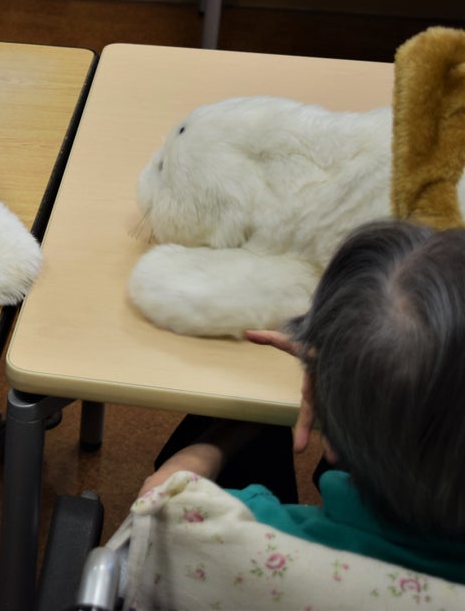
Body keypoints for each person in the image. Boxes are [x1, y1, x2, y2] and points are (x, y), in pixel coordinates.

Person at [137, 219, 465, 582]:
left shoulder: (244, 538)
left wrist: (240, 427)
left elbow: (161, 497)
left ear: (334, 445)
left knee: (239, 437)